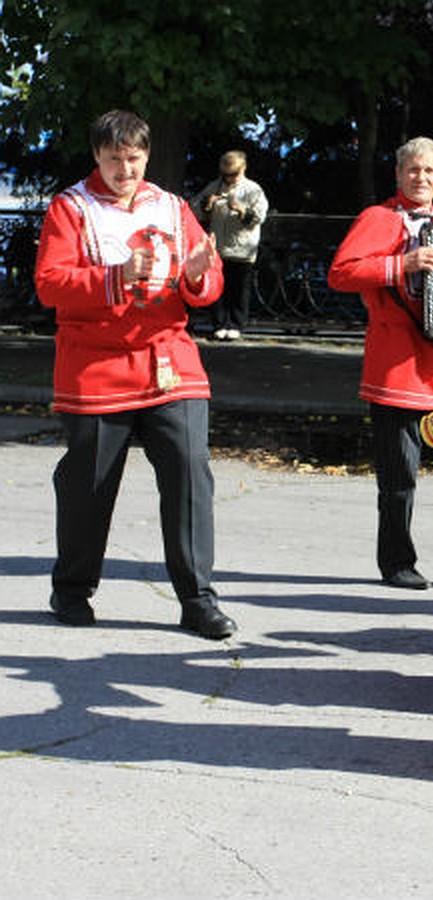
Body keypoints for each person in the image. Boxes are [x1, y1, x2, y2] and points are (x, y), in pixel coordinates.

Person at [34, 109, 236, 639]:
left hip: (170, 360)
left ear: (146, 155)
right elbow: (51, 284)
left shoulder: (172, 206)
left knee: (191, 473)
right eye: (114, 158)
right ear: (96, 157)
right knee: (88, 484)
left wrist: (198, 276)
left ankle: (198, 600)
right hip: (97, 365)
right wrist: (114, 276)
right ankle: (72, 588)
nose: (126, 168)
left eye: (135, 157)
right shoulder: (69, 208)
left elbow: (208, 279)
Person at [327, 136, 433, 591]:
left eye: (429, 172)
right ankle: (397, 562)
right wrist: (398, 266)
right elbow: (340, 273)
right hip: (393, 372)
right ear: (399, 174)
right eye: (412, 170)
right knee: (399, 479)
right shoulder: (379, 218)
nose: (420, 178)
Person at [191, 150, 269, 340]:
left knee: (240, 289)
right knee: (218, 288)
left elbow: (259, 217)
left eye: (233, 174)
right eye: (225, 174)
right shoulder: (215, 186)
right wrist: (206, 204)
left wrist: (242, 209)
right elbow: (194, 209)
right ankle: (219, 324)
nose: (229, 178)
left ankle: (236, 324)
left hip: (242, 250)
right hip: (218, 249)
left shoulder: (253, 189)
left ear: (243, 169)